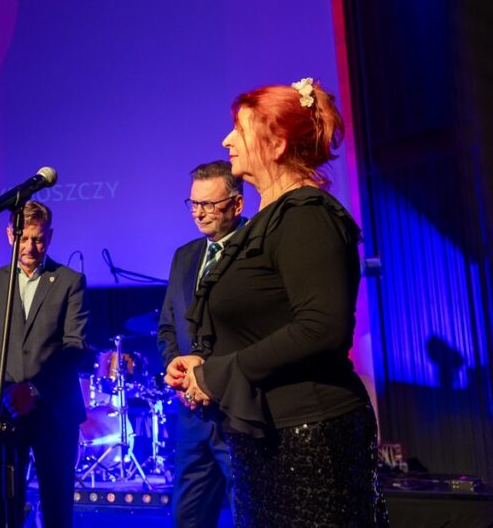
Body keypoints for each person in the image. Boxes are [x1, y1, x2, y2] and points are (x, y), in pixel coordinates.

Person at [170, 79, 388, 526]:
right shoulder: (264, 223)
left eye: (240, 129)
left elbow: (321, 327)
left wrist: (217, 373)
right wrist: (199, 362)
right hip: (269, 436)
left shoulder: (307, 214)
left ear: (276, 142)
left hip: (307, 437)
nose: (227, 139)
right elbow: (263, 322)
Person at [0, 201, 89, 527]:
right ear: (10, 235)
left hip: (55, 410)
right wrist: (8, 388)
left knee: (57, 504)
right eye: (24, 238)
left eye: (39, 239)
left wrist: (33, 389)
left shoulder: (69, 281)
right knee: (5, 505)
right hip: (5, 408)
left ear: (50, 236)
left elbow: (74, 347)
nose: (31, 247)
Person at [157, 160, 244, 527]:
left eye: (209, 204)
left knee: (250, 513)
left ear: (237, 205)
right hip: (192, 417)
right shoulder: (185, 255)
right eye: (194, 204)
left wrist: (209, 378)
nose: (199, 213)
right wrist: (177, 368)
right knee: (187, 518)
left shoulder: (254, 250)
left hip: (237, 413)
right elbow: (167, 328)